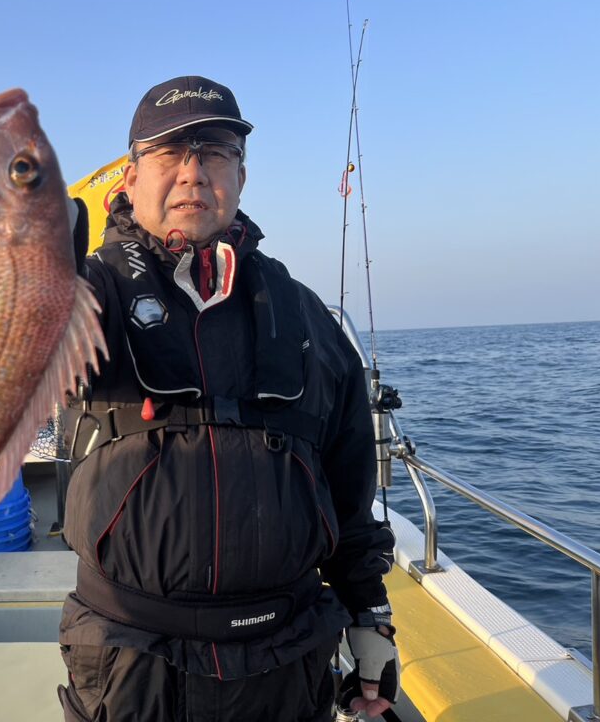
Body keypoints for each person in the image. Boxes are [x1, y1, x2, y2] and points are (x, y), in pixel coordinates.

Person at [57, 76, 399, 722]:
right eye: (169, 153)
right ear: (129, 177)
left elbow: (349, 485)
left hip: (289, 655)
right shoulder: (87, 293)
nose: (192, 172)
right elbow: (18, 350)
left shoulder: (305, 315)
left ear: (240, 176)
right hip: (129, 660)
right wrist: (30, 264)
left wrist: (369, 615)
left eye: (214, 153)